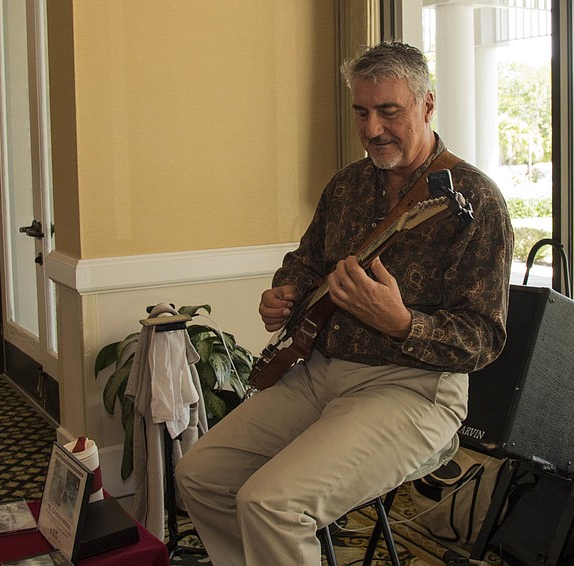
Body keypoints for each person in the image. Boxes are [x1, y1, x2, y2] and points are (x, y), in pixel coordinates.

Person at [175, 41, 513, 565]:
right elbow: (305, 261)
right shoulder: (348, 185)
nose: (372, 128)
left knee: (272, 505)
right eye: (361, 111)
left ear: (427, 105)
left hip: (412, 389)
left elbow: (484, 340)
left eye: (389, 112)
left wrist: (402, 323)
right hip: (317, 372)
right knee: (199, 475)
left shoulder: (476, 202)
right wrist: (283, 293)